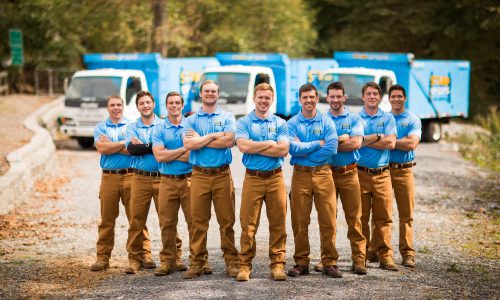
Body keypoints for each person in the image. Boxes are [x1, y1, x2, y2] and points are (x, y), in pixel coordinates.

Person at [182, 80, 239, 279]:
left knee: (227, 221)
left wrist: (202, 139)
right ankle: (197, 263)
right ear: (201, 93)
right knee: (198, 222)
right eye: (206, 91)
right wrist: (215, 136)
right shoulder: (191, 119)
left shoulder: (227, 116)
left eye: (213, 91)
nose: (210, 94)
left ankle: (232, 262)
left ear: (218, 93)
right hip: (199, 175)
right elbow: (189, 144)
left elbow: (229, 140)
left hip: (222, 175)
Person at [234, 83, 290, 282]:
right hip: (253, 178)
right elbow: (243, 146)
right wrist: (268, 144)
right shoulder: (244, 122)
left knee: (278, 223)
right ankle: (244, 265)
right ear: (254, 98)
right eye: (261, 97)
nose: (264, 101)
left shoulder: (281, 123)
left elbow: (283, 150)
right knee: (248, 224)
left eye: (267, 98)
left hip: (275, 178)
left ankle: (277, 265)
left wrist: (254, 146)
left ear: (272, 100)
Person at [90, 95, 152, 271]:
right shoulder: (100, 127)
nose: (116, 108)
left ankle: (144, 255)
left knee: (137, 218)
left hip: (132, 177)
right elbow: (102, 149)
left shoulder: (132, 126)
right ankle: (102, 258)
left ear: (123, 107)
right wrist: (123, 144)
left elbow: (133, 151)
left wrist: (113, 145)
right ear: (107, 108)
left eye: (118, 105)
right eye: (112, 105)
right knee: (107, 220)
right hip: (109, 178)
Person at [124, 91, 183, 274]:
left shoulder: (164, 125)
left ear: (154, 104)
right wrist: (154, 146)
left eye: (148, 102)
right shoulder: (132, 127)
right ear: (137, 107)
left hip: (163, 177)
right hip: (140, 178)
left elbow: (168, 148)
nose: (145, 106)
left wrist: (145, 145)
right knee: (136, 219)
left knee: (168, 220)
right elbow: (133, 149)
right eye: (141, 103)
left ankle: (175, 257)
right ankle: (136, 259)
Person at [287, 83, 341, 278]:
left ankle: (329, 262)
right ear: (300, 100)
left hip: (324, 173)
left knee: (328, 219)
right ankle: (301, 262)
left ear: (317, 99)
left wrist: (306, 150)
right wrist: (318, 144)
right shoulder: (292, 123)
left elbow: (332, 148)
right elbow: (292, 149)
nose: (309, 100)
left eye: (312, 97)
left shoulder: (326, 122)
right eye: (305, 97)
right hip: (300, 175)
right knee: (300, 220)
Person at [314, 82, 368, 275]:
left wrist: (329, 143)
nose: (335, 100)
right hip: (327, 173)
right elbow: (317, 146)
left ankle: (359, 259)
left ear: (344, 98)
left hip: (350, 173)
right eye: (332, 97)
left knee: (355, 218)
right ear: (326, 98)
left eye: (339, 96)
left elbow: (355, 144)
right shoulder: (319, 119)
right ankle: (328, 259)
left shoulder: (354, 119)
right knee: (328, 219)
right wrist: (341, 138)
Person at [367, 85, 421, 268]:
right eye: (393, 96)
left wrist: (388, 141)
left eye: (400, 96)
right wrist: (393, 141)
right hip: (385, 170)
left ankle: (407, 253)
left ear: (405, 98)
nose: (396, 99)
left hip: (404, 170)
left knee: (406, 214)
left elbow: (412, 144)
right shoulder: (384, 118)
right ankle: (374, 250)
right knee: (381, 213)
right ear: (388, 99)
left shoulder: (412, 119)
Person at [357, 82, 398, 271]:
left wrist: (367, 139)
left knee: (383, 217)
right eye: (368, 94)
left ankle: (385, 257)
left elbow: (390, 144)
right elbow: (356, 142)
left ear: (380, 97)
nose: (372, 96)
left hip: (382, 174)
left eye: (375, 94)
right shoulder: (356, 118)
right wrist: (378, 137)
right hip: (360, 173)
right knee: (361, 217)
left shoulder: (388, 117)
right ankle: (361, 256)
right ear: (363, 97)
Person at [151, 92, 193, 276]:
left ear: (182, 105)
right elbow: (159, 156)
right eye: (171, 103)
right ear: (166, 105)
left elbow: (194, 155)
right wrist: (185, 149)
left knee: (195, 222)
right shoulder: (159, 128)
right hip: (166, 181)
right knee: (167, 223)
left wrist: (171, 152)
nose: (174, 105)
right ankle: (169, 261)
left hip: (190, 180)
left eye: (177, 103)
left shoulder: (191, 126)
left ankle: (200, 260)